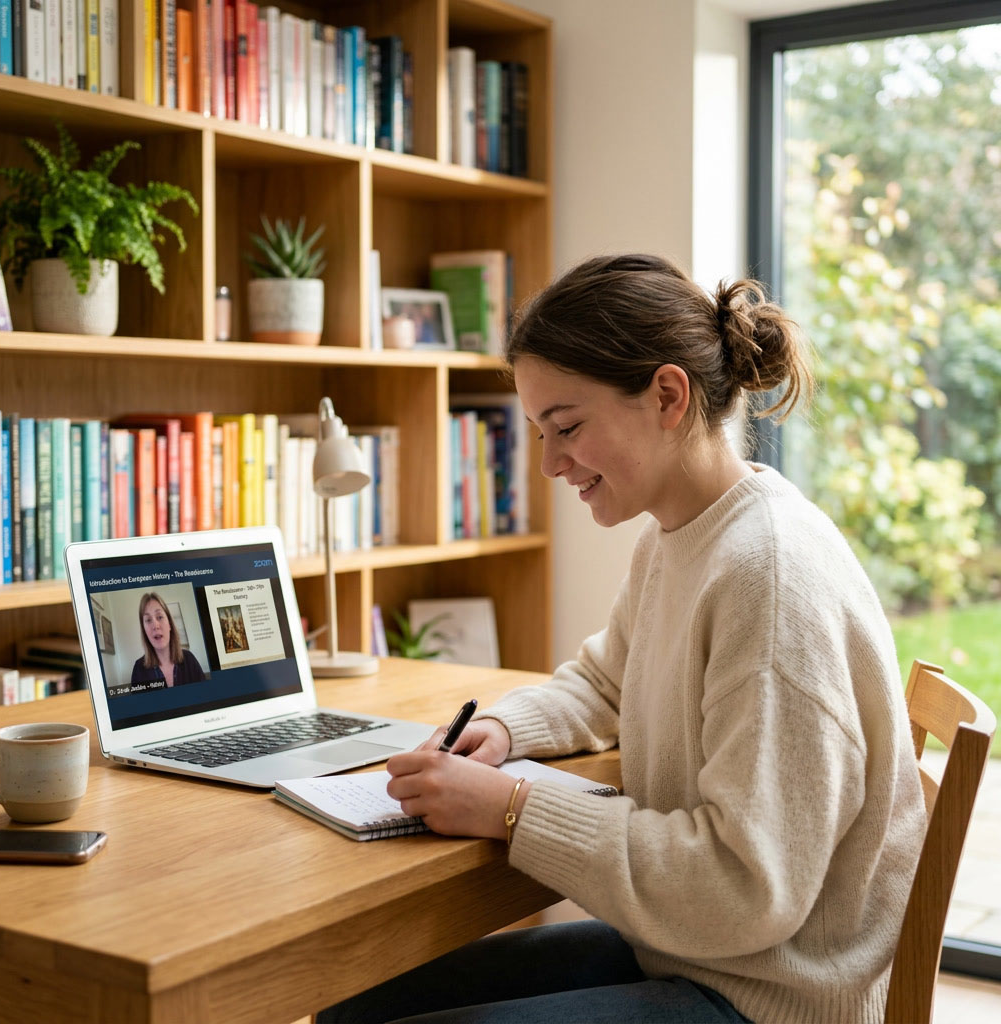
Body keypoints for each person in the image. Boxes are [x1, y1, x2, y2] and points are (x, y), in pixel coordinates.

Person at [316, 254, 927, 1024]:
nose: (547, 464)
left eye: (566, 427)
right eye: (540, 433)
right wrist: (505, 732)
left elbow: (747, 886)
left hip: (769, 997)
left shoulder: (766, 576)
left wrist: (512, 808)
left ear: (667, 395)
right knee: (351, 1007)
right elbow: (607, 679)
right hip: (699, 954)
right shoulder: (682, 535)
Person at [131, 592, 206, 687]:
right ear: (144, 630)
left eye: (160, 617)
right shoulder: (139, 669)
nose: (155, 626)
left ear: (169, 624)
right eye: (148, 620)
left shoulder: (189, 659)